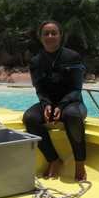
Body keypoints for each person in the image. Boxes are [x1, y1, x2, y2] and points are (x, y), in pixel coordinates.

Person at [22, 20, 87, 181]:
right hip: (49, 104)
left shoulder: (73, 56)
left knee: (72, 116)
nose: (50, 36)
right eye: (46, 33)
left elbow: (76, 89)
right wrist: (46, 105)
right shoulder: (36, 61)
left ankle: (80, 164)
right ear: (40, 37)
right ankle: (53, 159)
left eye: (54, 33)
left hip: (72, 103)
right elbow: (40, 89)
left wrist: (62, 105)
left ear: (60, 35)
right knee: (30, 118)